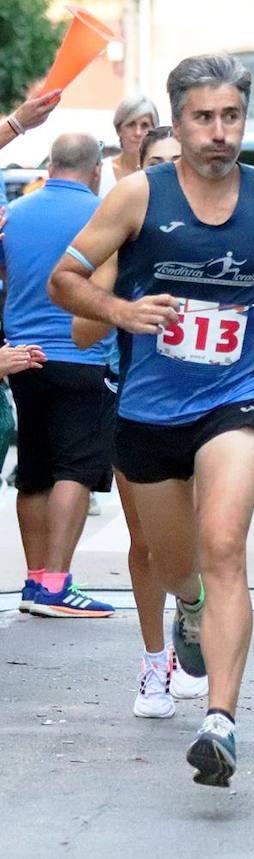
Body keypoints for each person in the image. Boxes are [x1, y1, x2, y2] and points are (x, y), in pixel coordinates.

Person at [50, 54, 254, 786]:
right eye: (203, 117)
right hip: (146, 409)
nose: (219, 131)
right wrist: (120, 311)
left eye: (231, 116)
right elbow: (63, 280)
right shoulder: (138, 196)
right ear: (177, 122)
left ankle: (221, 721)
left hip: (231, 399)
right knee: (177, 569)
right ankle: (190, 608)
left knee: (226, 543)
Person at [69, 126, 209, 715]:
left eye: (178, 163)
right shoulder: (123, 237)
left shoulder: (221, 234)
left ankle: (193, 621)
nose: (170, 175)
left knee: (202, 536)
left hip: (212, 403)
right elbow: (82, 330)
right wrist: (124, 311)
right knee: (149, 540)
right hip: (136, 402)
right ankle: (155, 661)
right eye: (156, 164)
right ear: (136, 169)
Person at [3, 134, 116, 618]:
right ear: (94, 170)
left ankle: (33, 580)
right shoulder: (106, 213)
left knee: (34, 471)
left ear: (50, 165)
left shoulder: (16, 213)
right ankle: (56, 583)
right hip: (85, 356)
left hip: (25, 360)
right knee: (76, 470)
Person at [99, 93, 159, 196]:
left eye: (145, 125)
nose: (138, 133)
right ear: (118, 130)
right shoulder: (101, 172)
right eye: (131, 124)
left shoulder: (160, 173)